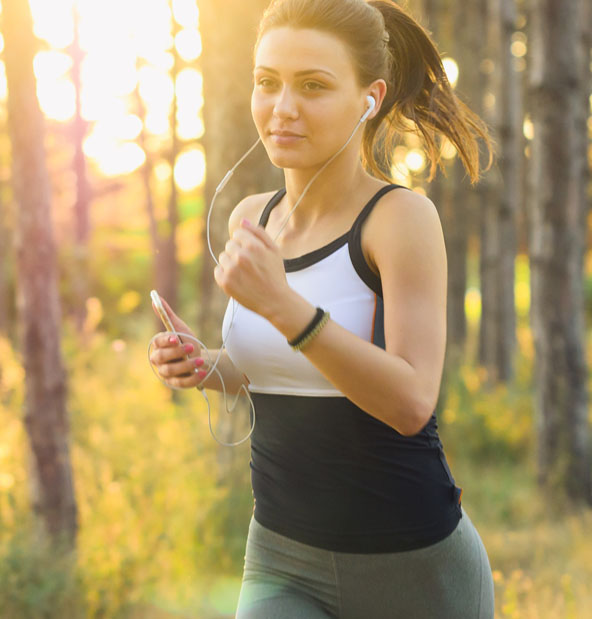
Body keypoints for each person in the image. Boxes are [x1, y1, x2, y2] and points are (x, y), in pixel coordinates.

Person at [149, 0, 496, 616]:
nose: (282, 108)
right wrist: (207, 365)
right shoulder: (250, 217)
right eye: (267, 83)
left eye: (313, 86)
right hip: (282, 556)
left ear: (370, 97)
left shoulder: (398, 220)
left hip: (411, 565)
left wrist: (284, 307)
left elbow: (411, 401)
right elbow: (279, 368)